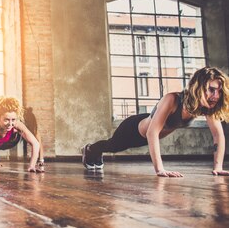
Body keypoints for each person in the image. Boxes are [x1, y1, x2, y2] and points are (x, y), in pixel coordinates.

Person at [82, 67, 229, 177]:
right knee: (113, 146)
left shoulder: (207, 107)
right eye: (211, 89)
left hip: (148, 132)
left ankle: (94, 151)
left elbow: (218, 135)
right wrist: (160, 169)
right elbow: (152, 132)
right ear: (198, 87)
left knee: (113, 146)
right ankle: (89, 149)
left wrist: (218, 167)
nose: (216, 95)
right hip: (133, 129)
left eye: (219, 91)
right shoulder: (172, 99)